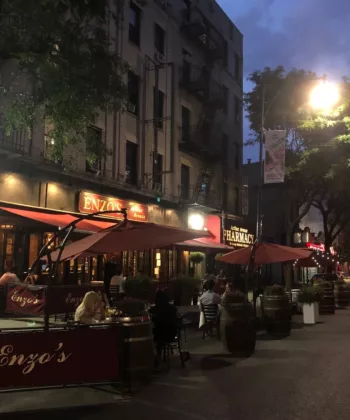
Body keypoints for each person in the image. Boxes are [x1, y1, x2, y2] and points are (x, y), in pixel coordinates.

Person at [149, 290, 178, 362]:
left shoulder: (154, 310)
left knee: (154, 333)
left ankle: (154, 355)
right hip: (172, 333)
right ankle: (157, 354)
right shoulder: (173, 308)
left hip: (160, 335)